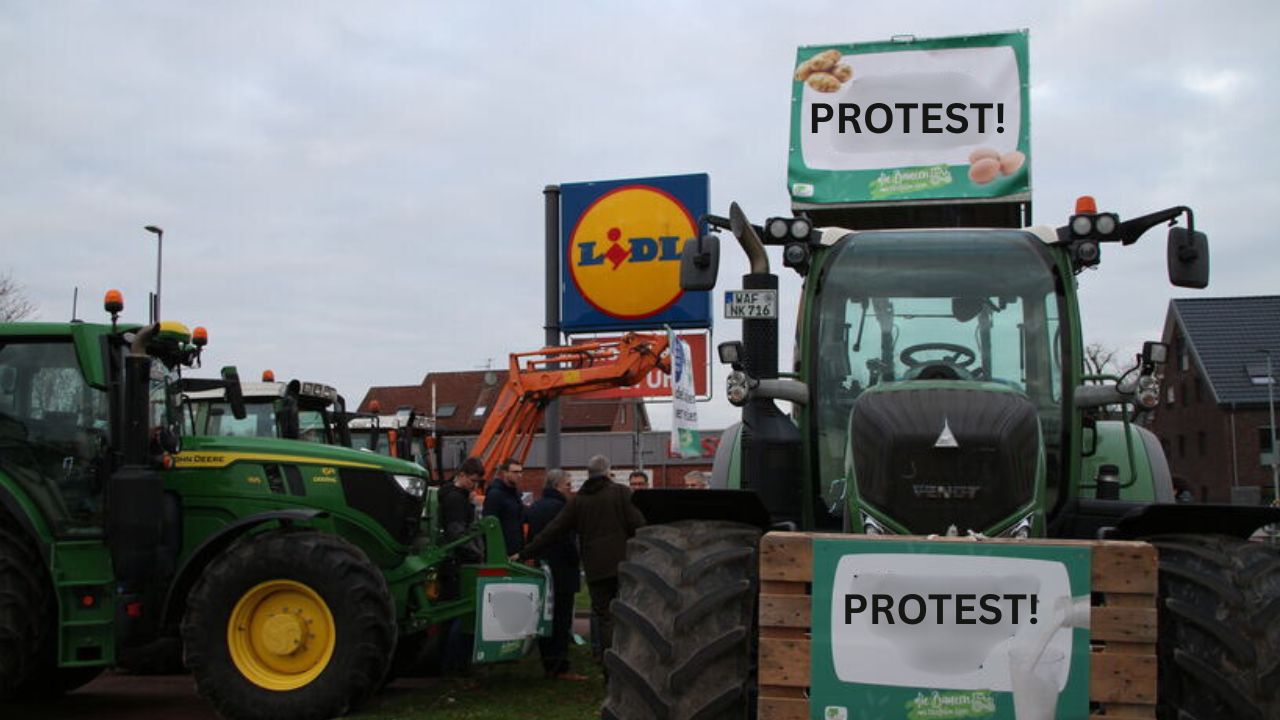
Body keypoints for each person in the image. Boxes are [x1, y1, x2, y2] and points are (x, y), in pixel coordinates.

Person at [517, 454, 645, 668]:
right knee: (627, 614)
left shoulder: (579, 501)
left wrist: (524, 553)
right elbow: (638, 524)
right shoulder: (621, 493)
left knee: (604, 616)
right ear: (607, 472)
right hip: (622, 564)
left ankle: (608, 664)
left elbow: (553, 531)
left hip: (595, 569)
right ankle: (630, 660)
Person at [526, 469, 585, 680]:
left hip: (543, 569)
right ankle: (560, 667)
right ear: (558, 486)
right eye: (568, 485)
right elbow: (568, 540)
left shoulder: (536, 507)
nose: (571, 489)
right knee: (561, 620)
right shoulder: (563, 509)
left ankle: (547, 662)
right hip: (562, 571)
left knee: (545, 618)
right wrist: (575, 559)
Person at [440, 457, 485, 674]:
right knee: (462, 614)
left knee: (452, 617)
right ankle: (455, 665)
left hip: (452, 562)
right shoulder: (456, 501)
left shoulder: (448, 494)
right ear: (463, 476)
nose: (475, 486)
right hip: (459, 563)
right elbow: (458, 533)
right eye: (473, 481)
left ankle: (451, 664)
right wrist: (477, 555)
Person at [482, 458, 526, 555]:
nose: (519, 475)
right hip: (502, 551)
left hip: (515, 549)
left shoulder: (515, 495)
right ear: (505, 473)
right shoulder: (495, 495)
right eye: (515, 472)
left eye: (520, 472)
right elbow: (489, 524)